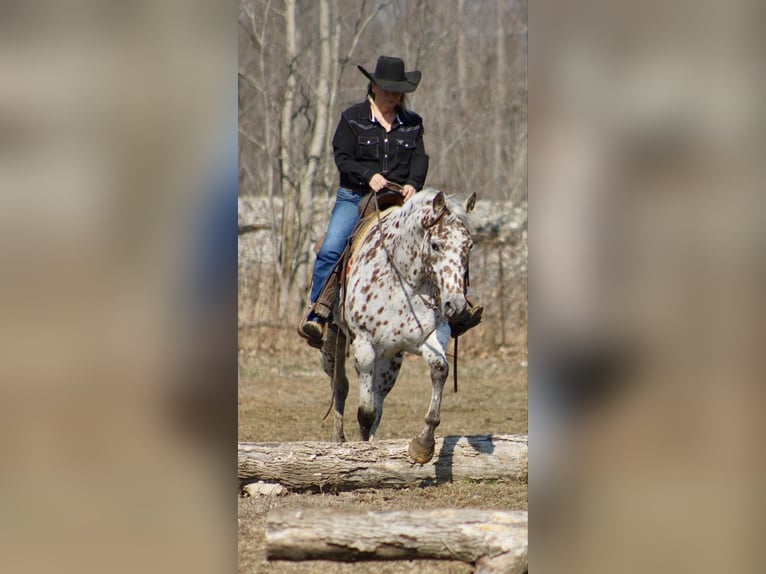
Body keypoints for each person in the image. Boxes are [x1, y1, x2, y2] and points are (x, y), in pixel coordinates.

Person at [298, 55, 482, 348]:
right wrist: (367, 174)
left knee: (440, 242)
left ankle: (457, 309)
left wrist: (413, 184)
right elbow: (342, 157)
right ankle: (318, 313)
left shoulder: (412, 123)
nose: (393, 94)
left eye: (398, 89)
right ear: (373, 86)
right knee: (332, 247)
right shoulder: (352, 118)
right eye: (387, 88)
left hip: (399, 200)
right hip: (356, 197)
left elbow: (420, 159)